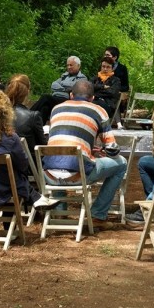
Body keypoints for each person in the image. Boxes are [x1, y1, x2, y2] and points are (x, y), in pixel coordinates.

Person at [40, 79, 128, 229]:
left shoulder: (56, 109)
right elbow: (112, 148)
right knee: (121, 164)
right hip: (78, 175)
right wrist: (103, 150)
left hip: (48, 175)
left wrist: (87, 147)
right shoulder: (98, 110)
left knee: (59, 160)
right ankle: (97, 215)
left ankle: (60, 213)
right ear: (92, 98)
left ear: (71, 95)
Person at [30, 55, 88, 121]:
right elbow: (53, 85)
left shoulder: (82, 78)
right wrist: (65, 89)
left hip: (66, 100)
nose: (69, 67)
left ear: (78, 66)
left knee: (45, 97)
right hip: (55, 98)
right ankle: (38, 128)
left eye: (71, 65)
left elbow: (74, 87)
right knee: (45, 108)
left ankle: (28, 114)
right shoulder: (64, 76)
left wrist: (62, 84)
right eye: (67, 65)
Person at [4, 73, 45, 153]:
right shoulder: (33, 116)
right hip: (29, 163)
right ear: (27, 92)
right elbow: (43, 146)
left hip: (2, 161)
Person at [93, 51, 123, 120]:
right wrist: (102, 87)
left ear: (112, 68)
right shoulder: (95, 78)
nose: (105, 69)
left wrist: (96, 92)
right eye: (103, 66)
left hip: (108, 105)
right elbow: (89, 88)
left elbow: (112, 92)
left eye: (108, 67)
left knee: (94, 104)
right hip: (94, 102)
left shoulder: (116, 80)